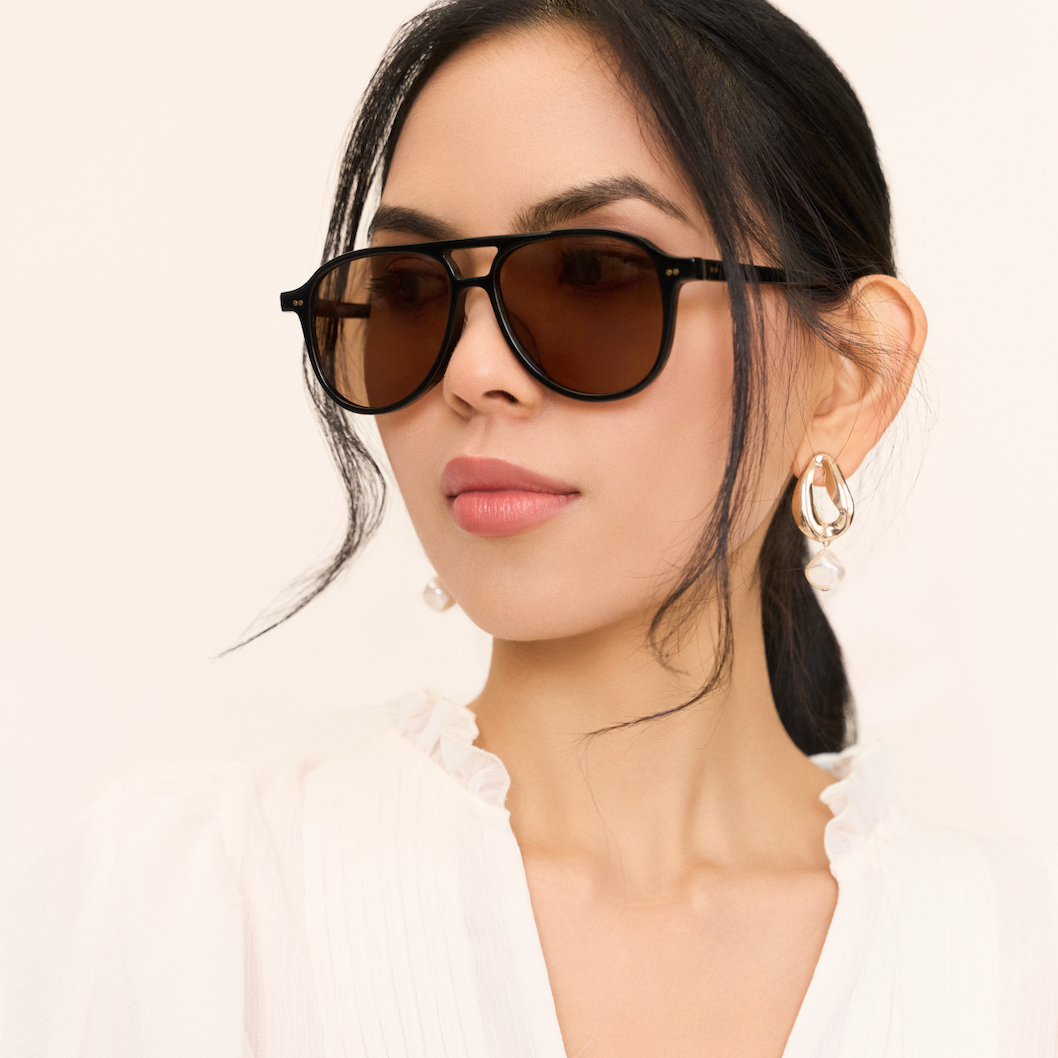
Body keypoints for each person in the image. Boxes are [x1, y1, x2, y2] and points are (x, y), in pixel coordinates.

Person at [2, 0, 1056, 1054]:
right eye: (409, 291)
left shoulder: (1015, 970)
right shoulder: (185, 909)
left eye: (591, 275)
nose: (471, 373)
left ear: (847, 377)